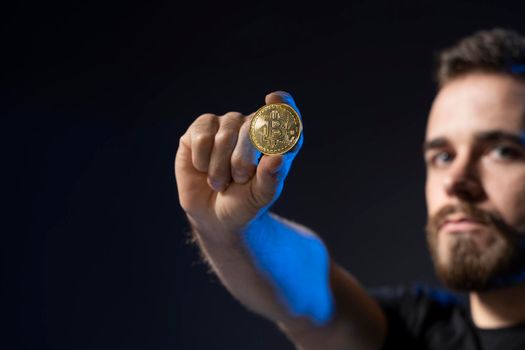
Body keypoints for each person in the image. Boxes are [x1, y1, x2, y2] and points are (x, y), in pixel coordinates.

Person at [174, 28, 525, 349]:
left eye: (502, 151)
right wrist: (232, 231)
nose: (456, 181)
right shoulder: (414, 332)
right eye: (443, 156)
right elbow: (313, 292)